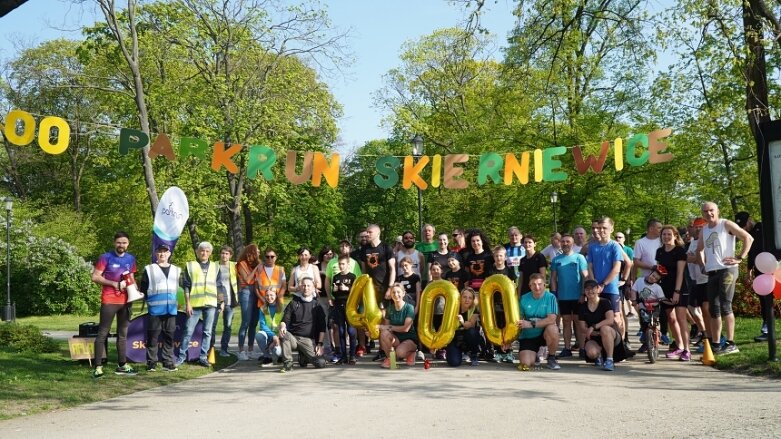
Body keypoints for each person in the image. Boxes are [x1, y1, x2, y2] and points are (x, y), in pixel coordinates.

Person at [696, 202, 753, 354]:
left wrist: (740, 257)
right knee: (713, 309)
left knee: (725, 305)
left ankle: (731, 343)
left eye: (711, 210)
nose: (709, 213)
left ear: (717, 211)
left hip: (727, 269)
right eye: (705, 211)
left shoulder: (726, 224)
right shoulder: (704, 230)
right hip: (712, 272)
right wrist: (703, 265)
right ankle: (716, 344)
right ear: (703, 214)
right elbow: (699, 250)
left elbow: (748, 238)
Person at [91, 231, 138, 378]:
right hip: (109, 300)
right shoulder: (105, 257)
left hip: (125, 301)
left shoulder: (131, 258)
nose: (121, 245)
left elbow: (131, 277)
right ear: (114, 243)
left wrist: (135, 291)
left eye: (124, 242)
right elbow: (95, 277)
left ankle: (122, 365)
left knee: (122, 335)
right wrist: (114, 284)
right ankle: (98, 367)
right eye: (119, 242)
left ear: (128, 244)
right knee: (102, 333)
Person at [177, 242, 222, 367]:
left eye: (207, 251)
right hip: (194, 304)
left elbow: (219, 286)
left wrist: (221, 302)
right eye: (202, 250)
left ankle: (203, 357)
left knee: (207, 332)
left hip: (211, 303)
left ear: (210, 253)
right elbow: (186, 286)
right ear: (197, 252)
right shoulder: (190, 266)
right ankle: (181, 356)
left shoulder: (215, 266)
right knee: (188, 331)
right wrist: (188, 304)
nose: (204, 253)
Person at [138, 244, 180, 372]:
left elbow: (180, 289)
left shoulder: (177, 270)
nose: (162, 254)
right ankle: (151, 362)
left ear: (169, 254)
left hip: (171, 309)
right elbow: (143, 289)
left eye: (165, 252)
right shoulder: (149, 269)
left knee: (169, 336)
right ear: (156, 254)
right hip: (155, 309)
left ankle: (168, 362)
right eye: (160, 252)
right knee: (153, 336)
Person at [586, 217, 627, 346]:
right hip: (596, 289)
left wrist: (603, 284)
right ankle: (602, 347)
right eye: (600, 228)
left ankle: (620, 346)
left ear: (611, 229)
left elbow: (616, 268)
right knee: (599, 318)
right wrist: (594, 284)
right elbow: (590, 267)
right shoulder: (592, 247)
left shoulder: (615, 246)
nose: (602, 230)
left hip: (611, 288)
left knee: (616, 318)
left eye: (605, 228)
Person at [360, 224, 396, 361]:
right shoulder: (365, 249)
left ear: (377, 233)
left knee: (384, 318)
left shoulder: (386, 248)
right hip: (370, 290)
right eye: (366, 232)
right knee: (372, 318)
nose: (367, 234)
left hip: (384, 289)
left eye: (370, 232)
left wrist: (390, 287)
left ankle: (385, 350)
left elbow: (392, 268)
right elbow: (364, 270)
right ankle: (378, 347)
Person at [656, 225, 691, 361]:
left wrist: (677, 291)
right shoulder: (659, 251)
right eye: (664, 234)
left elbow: (680, 273)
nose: (666, 237)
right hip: (664, 288)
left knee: (681, 318)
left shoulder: (679, 251)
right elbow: (660, 271)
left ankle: (687, 350)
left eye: (669, 234)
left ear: (675, 236)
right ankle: (679, 345)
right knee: (671, 318)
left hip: (680, 288)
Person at [550, 234, 589, 358]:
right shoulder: (556, 259)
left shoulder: (580, 258)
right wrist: (554, 294)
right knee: (566, 322)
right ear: (560, 243)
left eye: (568, 241)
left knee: (579, 322)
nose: (565, 243)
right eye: (563, 241)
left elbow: (585, 276)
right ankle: (567, 348)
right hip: (563, 297)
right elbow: (553, 278)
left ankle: (582, 348)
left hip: (578, 296)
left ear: (572, 243)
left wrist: (583, 293)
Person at [278, 277, 327, 373]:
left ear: (313, 288)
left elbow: (322, 327)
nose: (306, 288)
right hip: (293, 338)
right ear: (300, 287)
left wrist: (320, 344)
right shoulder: (293, 303)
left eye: (309, 286)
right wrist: (283, 327)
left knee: (321, 363)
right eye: (304, 285)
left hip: (307, 340)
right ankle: (288, 363)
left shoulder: (317, 306)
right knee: (284, 334)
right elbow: (284, 320)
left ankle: (303, 356)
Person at [735, 211, 770, 342]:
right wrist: (749, 270)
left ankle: (768, 327)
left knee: (769, 298)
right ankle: (766, 326)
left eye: (745, 225)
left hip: (771, 266)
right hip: (759, 269)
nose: (744, 228)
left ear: (750, 220)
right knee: (763, 298)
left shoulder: (763, 227)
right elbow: (751, 253)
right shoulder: (748, 235)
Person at [515, 274, 560, 371]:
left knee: (553, 329)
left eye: (540, 284)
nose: (537, 287)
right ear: (529, 286)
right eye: (534, 284)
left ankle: (551, 358)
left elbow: (551, 319)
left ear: (545, 285)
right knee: (526, 363)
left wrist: (531, 324)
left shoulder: (550, 297)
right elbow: (518, 320)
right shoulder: (523, 299)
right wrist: (508, 340)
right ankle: (537, 353)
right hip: (528, 336)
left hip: (544, 334)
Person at [579, 280, 621, 371]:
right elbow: (582, 328)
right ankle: (599, 355)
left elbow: (610, 320)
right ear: (584, 291)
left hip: (609, 334)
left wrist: (593, 327)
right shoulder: (582, 307)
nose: (590, 291)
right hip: (594, 335)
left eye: (593, 288)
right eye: (587, 289)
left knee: (604, 329)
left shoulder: (605, 302)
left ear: (598, 289)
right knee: (591, 353)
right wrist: (595, 333)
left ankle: (609, 360)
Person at [488, 245, 517, 363]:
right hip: (494, 304)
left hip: (507, 305)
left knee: (508, 327)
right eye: (496, 256)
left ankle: (509, 352)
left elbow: (514, 286)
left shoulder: (509, 271)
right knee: (497, 326)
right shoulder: (490, 271)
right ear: (493, 257)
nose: (498, 258)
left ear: (505, 257)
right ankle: (498, 352)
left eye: (500, 256)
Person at [379, 283, 418, 368]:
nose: (396, 295)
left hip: (409, 338)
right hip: (396, 339)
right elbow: (386, 328)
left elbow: (406, 329)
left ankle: (411, 353)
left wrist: (389, 327)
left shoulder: (409, 307)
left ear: (403, 293)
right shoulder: (389, 309)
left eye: (398, 292)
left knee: (400, 352)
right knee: (384, 333)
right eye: (393, 292)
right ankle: (390, 359)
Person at [631, 265, 668, 354]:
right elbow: (633, 290)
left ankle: (662, 334)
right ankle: (646, 340)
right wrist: (634, 300)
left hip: (654, 306)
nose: (653, 278)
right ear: (650, 273)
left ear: (658, 280)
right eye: (653, 275)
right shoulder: (640, 281)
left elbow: (662, 298)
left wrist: (667, 301)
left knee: (660, 317)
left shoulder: (657, 288)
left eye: (656, 278)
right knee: (644, 321)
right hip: (643, 305)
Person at [330, 255, 358, 364]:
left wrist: (347, 288)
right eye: (339, 264)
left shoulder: (352, 276)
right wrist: (335, 290)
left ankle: (352, 355)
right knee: (341, 330)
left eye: (343, 264)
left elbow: (356, 291)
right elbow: (334, 292)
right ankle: (343, 356)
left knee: (351, 330)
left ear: (348, 265)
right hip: (338, 305)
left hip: (350, 305)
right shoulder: (336, 277)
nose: (341, 266)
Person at [236, 244, 261, 361]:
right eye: (257, 251)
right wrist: (257, 268)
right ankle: (241, 350)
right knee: (245, 322)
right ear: (251, 252)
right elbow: (248, 279)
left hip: (256, 293)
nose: (259, 252)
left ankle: (250, 350)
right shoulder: (241, 264)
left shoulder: (256, 264)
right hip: (246, 293)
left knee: (254, 322)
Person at [212, 245, 238, 357]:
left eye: (227, 253)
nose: (224, 255)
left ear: (230, 255)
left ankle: (224, 349)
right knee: (212, 325)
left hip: (230, 300)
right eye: (222, 253)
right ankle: (210, 349)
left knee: (227, 326)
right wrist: (220, 299)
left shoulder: (235, 265)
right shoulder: (214, 265)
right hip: (216, 300)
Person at [445, 287, 481, 367]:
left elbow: (470, 324)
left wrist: (462, 321)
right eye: (464, 297)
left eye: (470, 298)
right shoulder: (452, 308)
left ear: (472, 300)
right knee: (454, 362)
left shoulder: (474, 309)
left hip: (468, 337)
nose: (467, 300)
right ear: (460, 298)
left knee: (472, 332)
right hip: (455, 338)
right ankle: (459, 354)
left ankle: (473, 354)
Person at [256, 289, 286, 366]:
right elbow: (262, 325)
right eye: (267, 295)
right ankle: (267, 357)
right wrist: (273, 336)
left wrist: (277, 338)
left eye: (271, 295)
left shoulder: (282, 308)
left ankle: (281, 355)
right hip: (270, 335)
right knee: (259, 335)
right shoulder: (262, 308)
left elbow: (285, 324)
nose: (269, 297)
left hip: (280, 336)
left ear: (276, 296)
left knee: (278, 352)